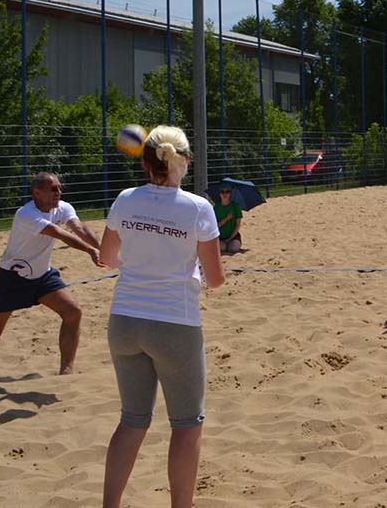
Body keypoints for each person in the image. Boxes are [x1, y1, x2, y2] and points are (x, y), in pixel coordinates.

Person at [97, 125, 225, 508]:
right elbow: (216, 279)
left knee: (132, 420)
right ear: (184, 161)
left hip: (124, 320)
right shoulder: (198, 207)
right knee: (186, 426)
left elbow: (107, 258)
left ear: (146, 162)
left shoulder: (125, 199)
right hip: (174, 323)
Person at [0, 171, 103, 375]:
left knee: (73, 312)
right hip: (13, 279)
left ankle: (66, 372)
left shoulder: (62, 207)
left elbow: (78, 228)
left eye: (60, 188)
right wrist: (89, 250)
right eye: (53, 189)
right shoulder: (25, 214)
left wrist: (101, 249)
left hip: (42, 277)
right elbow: (58, 233)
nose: (59, 192)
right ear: (37, 192)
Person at [213, 184, 243, 255]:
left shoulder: (235, 206)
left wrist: (229, 239)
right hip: (220, 236)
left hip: (233, 236)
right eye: (222, 192)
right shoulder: (216, 207)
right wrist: (226, 219)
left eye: (227, 192)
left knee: (233, 248)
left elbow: (237, 225)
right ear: (219, 194)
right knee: (222, 247)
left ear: (230, 194)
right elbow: (215, 226)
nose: (225, 194)